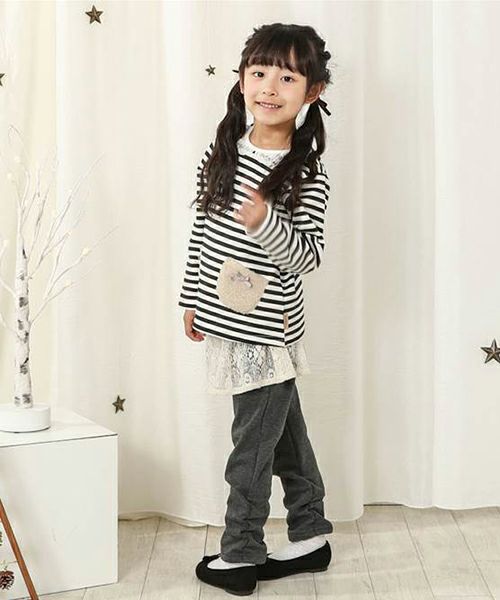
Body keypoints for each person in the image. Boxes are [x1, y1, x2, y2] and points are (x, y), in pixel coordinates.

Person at [178, 22, 335, 596]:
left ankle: (241, 552)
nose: (269, 87)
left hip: (267, 332)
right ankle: (311, 534)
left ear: (312, 91)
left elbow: (307, 257)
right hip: (223, 323)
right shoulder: (224, 151)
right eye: (259, 72)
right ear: (242, 80)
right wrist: (190, 297)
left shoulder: (305, 173)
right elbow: (203, 230)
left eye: (287, 78)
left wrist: (266, 221)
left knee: (251, 447)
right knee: (283, 435)